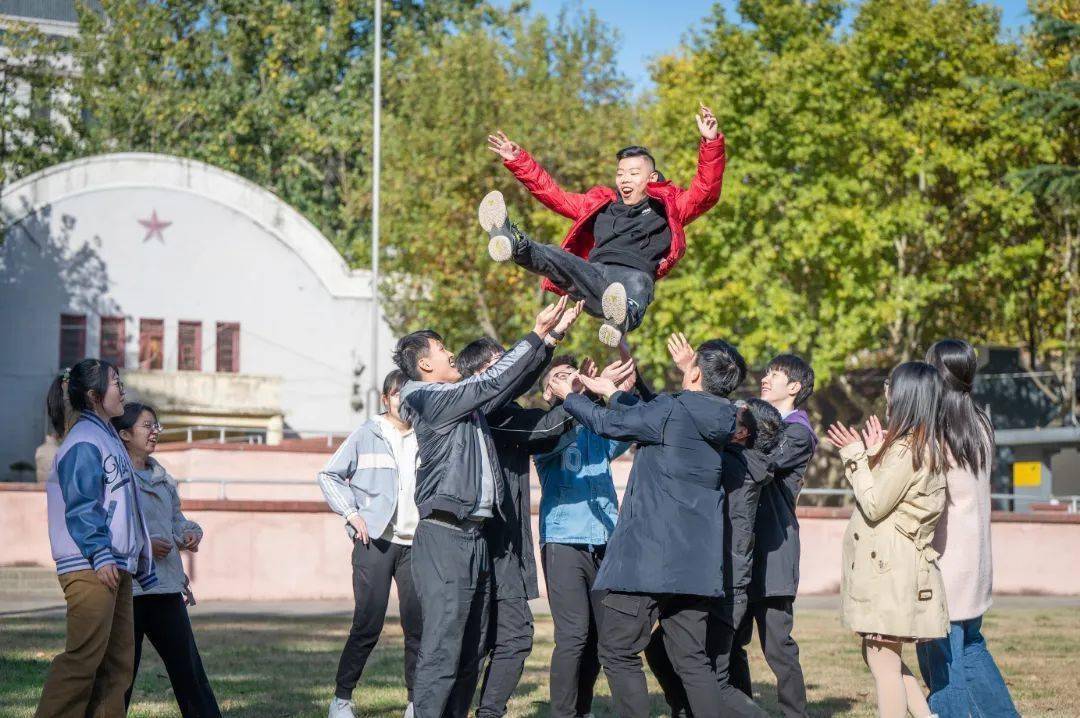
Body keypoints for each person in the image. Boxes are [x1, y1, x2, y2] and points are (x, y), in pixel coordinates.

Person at [395, 296, 576, 718]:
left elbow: (507, 385)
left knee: (472, 649)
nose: (450, 353)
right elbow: (491, 382)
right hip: (444, 536)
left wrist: (550, 339)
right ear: (424, 365)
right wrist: (534, 332)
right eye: (442, 350)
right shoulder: (429, 399)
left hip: (472, 538)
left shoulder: (461, 401)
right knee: (443, 650)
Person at [547, 337, 746, 718]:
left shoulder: (673, 409)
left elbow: (610, 424)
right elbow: (651, 419)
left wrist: (572, 397)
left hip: (649, 558)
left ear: (695, 371)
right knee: (693, 661)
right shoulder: (720, 418)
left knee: (618, 651)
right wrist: (610, 390)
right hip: (697, 563)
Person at [481, 104, 725, 346]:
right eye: (621, 174)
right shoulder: (600, 205)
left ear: (651, 178)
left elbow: (706, 192)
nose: (624, 179)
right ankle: (512, 241)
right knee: (555, 254)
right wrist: (519, 161)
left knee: (638, 284)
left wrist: (710, 141)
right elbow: (555, 196)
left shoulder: (669, 206)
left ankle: (620, 318)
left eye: (633, 173)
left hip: (633, 276)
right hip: (594, 274)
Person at [453, 329, 578, 718]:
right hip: (477, 546)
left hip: (508, 549)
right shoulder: (480, 411)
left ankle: (490, 712)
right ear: (481, 376)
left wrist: (581, 397)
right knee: (474, 643)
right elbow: (544, 429)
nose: (510, 370)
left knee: (516, 636)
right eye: (500, 365)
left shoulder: (507, 413)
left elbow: (545, 430)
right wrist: (575, 397)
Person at [826, 362, 950, 718]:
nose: (885, 392)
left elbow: (875, 503)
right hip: (895, 566)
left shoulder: (908, 450)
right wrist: (874, 455)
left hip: (890, 569)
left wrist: (854, 456)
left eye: (889, 386)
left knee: (883, 665)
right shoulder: (922, 446)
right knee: (882, 656)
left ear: (905, 395)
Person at [646, 398, 784, 718]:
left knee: (715, 679)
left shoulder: (734, 465)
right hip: (720, 581)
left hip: (725, 585)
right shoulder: (744, 462)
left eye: (734, 413)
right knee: (661, 649)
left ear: (740, 433)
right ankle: (685, 709)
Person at [36, 359, 157, 718]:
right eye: (115, 384)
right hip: (91, 565)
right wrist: (100, 554)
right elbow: (82, 504)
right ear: (93, 396)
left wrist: (136, 558)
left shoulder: (107, 439)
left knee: (118, 666)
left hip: (114, 565)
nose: (123, 391)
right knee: (83, 661)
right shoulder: (84, 440)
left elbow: (124, 507)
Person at [917, 339, 1018, 717]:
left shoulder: (935, 433)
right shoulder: (979, 424)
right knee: (971, 647)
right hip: (975, 564)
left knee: (942, 663)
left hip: (944, 564)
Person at [317, 370, 423, 718]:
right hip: (374, 542)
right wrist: (351, 513)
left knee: (417, 626)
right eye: (397, 395)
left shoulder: (426, 432)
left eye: (409, 395)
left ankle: (415, 703)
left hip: (417, 544)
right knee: (367, 623)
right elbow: (329, 474)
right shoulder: (368, 433)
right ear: (385, 398)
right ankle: (341, 700)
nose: (403, 402)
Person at [534, 356, 634, 718]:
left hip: (605, 542)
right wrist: (582, 400)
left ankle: (584, 709)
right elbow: (562, 433)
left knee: (598, 638)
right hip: (563, 541)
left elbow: (624, 432)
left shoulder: (594, 426)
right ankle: (563, 712)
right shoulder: (545, 429)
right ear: (548, 391)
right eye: (559, 377)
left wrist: (613, 391)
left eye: (573, 375)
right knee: (573, 635)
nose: (569, 380)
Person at [113, 402, 219, 717]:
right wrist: (144, 546)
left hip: (166, 589)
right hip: (127, 590)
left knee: (189, 672)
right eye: (147, 425)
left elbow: (176, 521)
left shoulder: (163, 478)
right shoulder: (114, 478)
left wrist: (190, 533)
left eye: (156, 426)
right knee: (121, 676)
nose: (155, 432)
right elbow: (109, 530)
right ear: (124, 434)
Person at [730, 353, 817, 716]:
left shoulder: (798, 432)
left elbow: (766, 466)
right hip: (743, 549)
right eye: (766, 373)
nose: (766, 378)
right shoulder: (760, 422)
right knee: (731, 640)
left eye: (776, 375)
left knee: (778, 646)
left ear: (795, 387)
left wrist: (734, 444)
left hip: (773, 552)